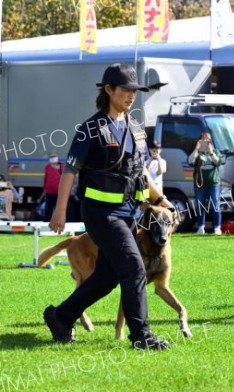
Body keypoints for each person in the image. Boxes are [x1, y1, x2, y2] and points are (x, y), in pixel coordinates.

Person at [44, 63, 174, 350]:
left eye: (134, 91)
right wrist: (60, 210)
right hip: (101, 215)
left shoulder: (136, 130)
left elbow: (140, 174)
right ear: (108, 90)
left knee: (106, 278)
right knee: (133, 267)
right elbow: (70, 170)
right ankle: (142, 335)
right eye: (125, 90)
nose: (130, 96)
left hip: (128, 214)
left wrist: (161, 200)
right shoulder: (91, 129)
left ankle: (61, 316)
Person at [189, 131, 224, 235]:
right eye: (203, 139)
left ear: (211, 141)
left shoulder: (216, 151)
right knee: (200, 205)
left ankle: (217, 227)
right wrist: (196, 149)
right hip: (200, 184)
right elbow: (190, 161)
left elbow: (218, 162)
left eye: (207, 139)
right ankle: (201, 227)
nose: (205, 141)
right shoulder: (197, 153)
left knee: (215, 205)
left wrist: (211, 152)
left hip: (213, 184)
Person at [42, 152, 64, 222]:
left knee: (59, 208)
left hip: (60, 191)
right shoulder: (47, 167)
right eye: (51, 157)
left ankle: (59, 221)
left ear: (57, 158)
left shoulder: (62, 167)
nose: (52, 159)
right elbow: (46, 178)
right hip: (49, 191)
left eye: (54, 157)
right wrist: (45, 188)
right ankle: (47, 221)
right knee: (48, 208)